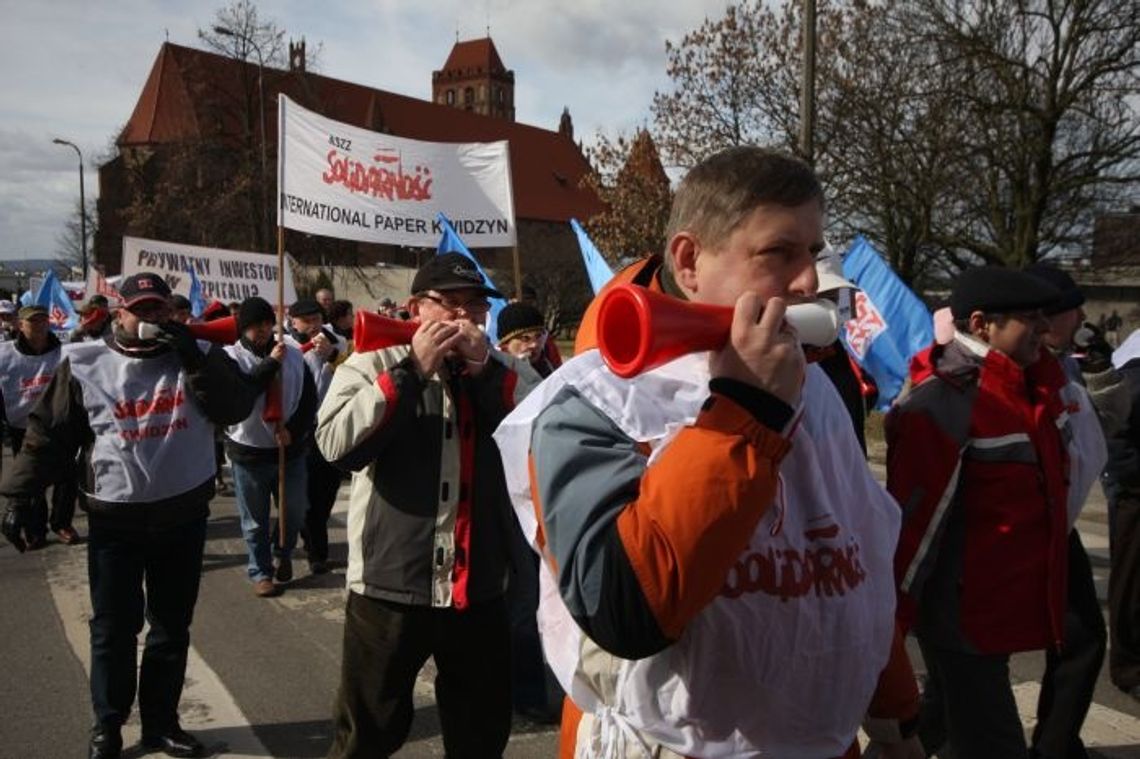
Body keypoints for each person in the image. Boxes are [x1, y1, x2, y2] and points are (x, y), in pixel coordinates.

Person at [497, 147, 922, 758]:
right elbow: (626, 608)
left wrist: (896, 715)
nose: (807, 280)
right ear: (690, 261)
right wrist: (743, 415)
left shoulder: (810, 384)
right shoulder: (591, 403)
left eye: (812, 251)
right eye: (779, 252)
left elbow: (851, 562)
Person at [0, 273, 258, 759]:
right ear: (119, 314)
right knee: (114, 629)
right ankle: (109, 725)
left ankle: (162, 722)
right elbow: (49, 435)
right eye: (140, 309)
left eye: (158, 309)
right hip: (116, 522)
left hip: (182, 517)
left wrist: (194, 357)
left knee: (170, 627)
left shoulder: (197, 356)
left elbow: (235, 405)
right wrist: (19, 496)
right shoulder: (85, 363)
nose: (151, 318)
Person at [316, 252, 539, 758]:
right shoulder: (371, 360)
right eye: (449, 304)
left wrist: (485, 371)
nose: (463, 318)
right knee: (366, 733)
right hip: (389, 585)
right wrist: (411, 371)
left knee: (480, 733)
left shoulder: (504, 367)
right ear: (417, 307)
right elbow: (335, 445)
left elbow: (543, 435)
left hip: (478, 585)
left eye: (475, 307)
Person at [889, 266, 1072, 758]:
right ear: (981, 324)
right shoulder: (947, 403)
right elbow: (913, 529)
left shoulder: (1028, 391)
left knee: (936, 724)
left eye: (1044, 317)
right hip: (964, 620)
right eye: (1028, 318)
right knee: (995, 745)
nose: (1043, 328)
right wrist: (889, 630)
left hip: (998, 612)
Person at [223, 297, 317, 597]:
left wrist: (294, 430)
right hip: (248, 452)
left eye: (266, 324)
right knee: (254, 520)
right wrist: (270, 364)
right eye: (255, 326)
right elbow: (240, 394)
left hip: (289, 451)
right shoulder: (230, 357)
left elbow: (307, 398)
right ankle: (261, 571)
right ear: (243, 328)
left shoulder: (293, 354)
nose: (262, 331)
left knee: (295, 510)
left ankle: (284, 552)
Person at [0, 304, 79, 546]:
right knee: (32, 479)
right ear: (20, 325)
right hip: (22, 426)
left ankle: (62, 523)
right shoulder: (4, 355)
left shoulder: (66, 352)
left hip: (60, 425)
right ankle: (36, 529)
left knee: (67, 479)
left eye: (43, 320)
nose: (39, 326)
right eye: (32, 321)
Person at [287, 298, 343, 575]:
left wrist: (333, 355)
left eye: (316, 319)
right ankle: (300, 551)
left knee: (324, 497)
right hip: (300, 433)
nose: (312, 325)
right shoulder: (286, 347)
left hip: (332, 430)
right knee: (300, 500)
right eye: (305, 320)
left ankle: (314, 551)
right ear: (293, 321)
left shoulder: (339, 343)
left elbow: (354, 371)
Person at [1107, 329, 1140, 700]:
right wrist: (1130, 481)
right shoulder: (1136, 365)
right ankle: (1129, 667)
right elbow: (1118, 431)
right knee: (1131, 581)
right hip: (1134, 494)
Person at [496, 302, 556, 378]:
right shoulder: (496, 376)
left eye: (538, 336)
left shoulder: (548, 368)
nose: (535, 344)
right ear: (505, 346)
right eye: (525, 339)